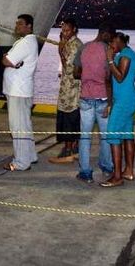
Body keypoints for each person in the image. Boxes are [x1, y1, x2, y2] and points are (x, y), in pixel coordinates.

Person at [75, 24, 115, 183]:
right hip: (103, 98)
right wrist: (111, 101)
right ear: (105, 34)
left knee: (85, 136)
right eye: (111, 37)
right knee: (105, 136)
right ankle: (106, 166)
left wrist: (88, 76)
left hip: (86, 96)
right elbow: (109, 78)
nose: (112, 41)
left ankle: (85, 171)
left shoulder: (84, 47)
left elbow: (76, 72)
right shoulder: (108, 51)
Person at [102, 32, 135, 187]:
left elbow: (120, 77)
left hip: (125, 100)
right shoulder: (123, 54)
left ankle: (117, 176)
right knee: (127, 134)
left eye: (112, 42)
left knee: (112, 133)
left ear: (118, 41)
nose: (111, 46)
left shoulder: (126, 55)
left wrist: (110, 59)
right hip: (123, 99)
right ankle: (128, 171)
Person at [3, 14, 39, 171]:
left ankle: (21, 162)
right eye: (16, 23)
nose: (16, 26)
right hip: (20, 89)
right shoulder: (26, 42)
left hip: (18, 90)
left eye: (20, 24)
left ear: (29, 26)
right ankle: (30, 156)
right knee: (24, 124)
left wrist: (7, 58)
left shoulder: (26, 43)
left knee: (18, 127)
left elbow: (7, 60)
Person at [51, 18, 84, 164]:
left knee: (70, 118)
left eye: (67, 30)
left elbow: (69, 67)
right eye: (63, 30)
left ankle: (69, 149)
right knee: (68, 117)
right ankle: (73, 147)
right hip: (66, 87)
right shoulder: (69, 43)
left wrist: (60, 50)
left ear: (74, 30)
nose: (64, 33)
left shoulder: (75, 45)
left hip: (72, 89)